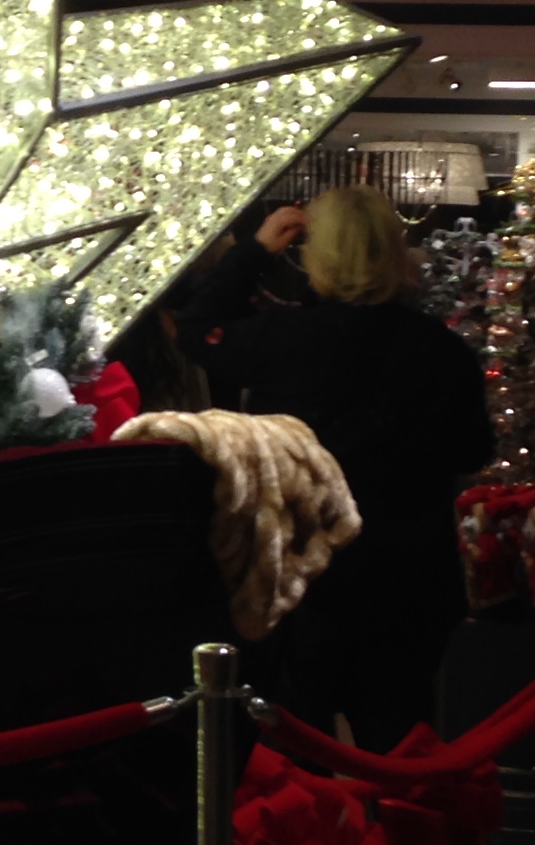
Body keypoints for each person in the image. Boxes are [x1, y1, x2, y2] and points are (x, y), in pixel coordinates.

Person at [180, 184, 496, 748]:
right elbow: (472, 450)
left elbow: (197, 329)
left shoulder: (283, 339)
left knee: (296, 754)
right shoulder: (440, 350)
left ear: (316, 255)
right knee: (399, 752)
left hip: (305, 581)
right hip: (408, 582)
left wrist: (256, 251)